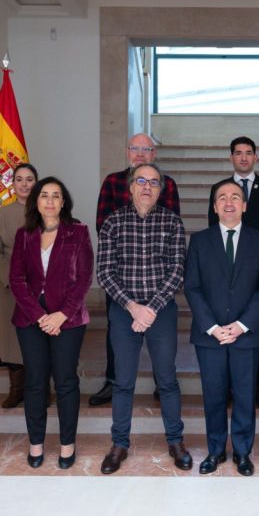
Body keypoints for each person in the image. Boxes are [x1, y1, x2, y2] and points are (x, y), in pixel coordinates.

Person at [96, 162, 191, 474]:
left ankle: (175, 441)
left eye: (154, 182)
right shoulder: (112, 223)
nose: (147, 187)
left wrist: (150, 308)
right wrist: (133, 307)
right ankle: (119, 443)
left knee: (167, 380)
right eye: (141, 181)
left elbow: (177, 269)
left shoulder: (173, 223)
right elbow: (105, 272)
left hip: (161, 313)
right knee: (123, 382)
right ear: (131, 186)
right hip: (125, 314)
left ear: (161, 189)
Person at [185, 180, 259, 476]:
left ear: (245, 205)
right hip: (209, 335)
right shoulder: (199, 241)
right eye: (221, 197)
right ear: (214, 206)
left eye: (235, 197)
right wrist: (212, 326)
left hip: (246, 335)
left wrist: (240, 325)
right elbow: (193, 288)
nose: (228, 202)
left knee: (245, 395)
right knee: (213, 394)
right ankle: (214, 450)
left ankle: (242, 451)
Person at [90, 133, 181, 407]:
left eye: (146, 149)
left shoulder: (168, 185)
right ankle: (112, 379)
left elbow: (171, 223)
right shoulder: (112, 182)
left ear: (154, 154)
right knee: (115, 332)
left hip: (157, 282)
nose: (140, 154)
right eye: (135, 149)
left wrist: (150, 305)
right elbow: (102, 223)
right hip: (120, 276)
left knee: (162, 350)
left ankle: (159, 382)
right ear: (127, 152)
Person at [9, 177, 92, 470]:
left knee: (66, 381)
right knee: (34, 382)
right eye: (44, 195)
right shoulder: (24, 234)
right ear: (37, 200)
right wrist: (39, 316)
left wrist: (61, 315)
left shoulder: (78, 232)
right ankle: (36, 443)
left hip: (68, 320)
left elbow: (84, 278)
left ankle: (67, 444)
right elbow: (16, 280)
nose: (50, 200)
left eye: (56, 195)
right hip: (31, 319)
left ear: (63, 202)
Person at [207, 136, 259, 410]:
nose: (243, 158)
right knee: (224, 327)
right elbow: (212, 232)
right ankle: (226, 385)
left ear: (255, 157)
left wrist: (254, 263)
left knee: (253, 328)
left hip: (254, 271)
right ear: (231, 158)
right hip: (224, 274)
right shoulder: (218, 189)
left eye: (248, 153)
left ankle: (258, 384)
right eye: (238, 153)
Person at [0, 163, 37, 408]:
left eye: (29, 179)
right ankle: (16, 389)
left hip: (40, 286)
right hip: (9, 286)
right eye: (19, 179)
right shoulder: (3, 213)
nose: (24, 184)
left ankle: (41, 389)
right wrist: (11, 280)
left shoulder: (45, 209)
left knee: (40, 339)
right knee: (13, 341)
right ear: (13, 183)